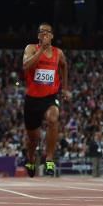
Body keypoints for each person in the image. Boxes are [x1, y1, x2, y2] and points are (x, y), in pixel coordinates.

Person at [21, 22, 70, 177]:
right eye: (42, 32)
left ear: (52, 36)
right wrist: (41, 50)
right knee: (33, 139)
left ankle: (49, 158)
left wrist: (65, 88)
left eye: (48, 32)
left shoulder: (58, 53)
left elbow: (64, 66)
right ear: (38, 36)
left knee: (53, 118)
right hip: (32, 99)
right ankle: (30, 157)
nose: (45, 34)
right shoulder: (30, 48)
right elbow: (26, 66)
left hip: (50, 97)